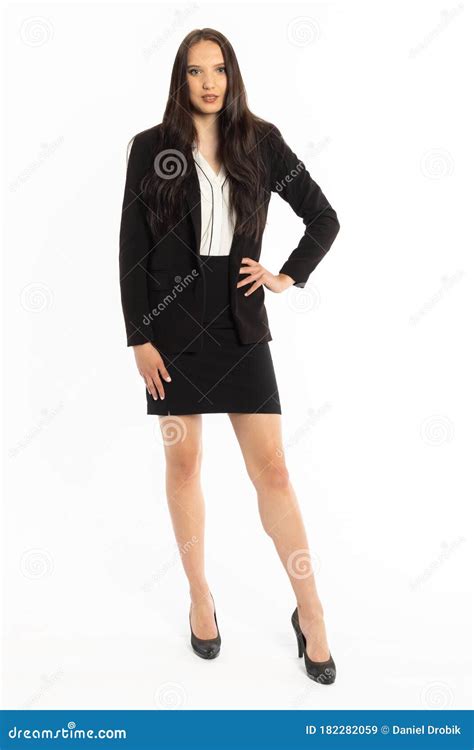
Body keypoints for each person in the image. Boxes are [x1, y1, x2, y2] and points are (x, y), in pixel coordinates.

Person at [119, 27, 340, 683]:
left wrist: (285, 275)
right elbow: (131, 249)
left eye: (218, 69)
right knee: (184, 464)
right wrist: (139, 336)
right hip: (171, 327)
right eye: (195, 71)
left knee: (272, 473)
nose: (209, 82)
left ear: (233, 74)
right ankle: (199, 596)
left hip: (239, 323)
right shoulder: (149, 149)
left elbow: (322, 217)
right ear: (179, 80)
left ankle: (312, 612)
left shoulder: (262, 142)